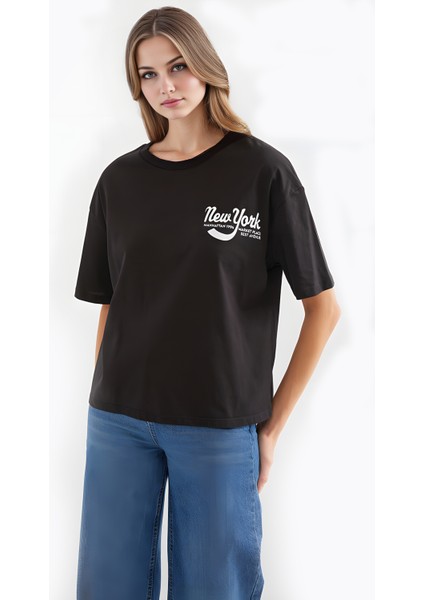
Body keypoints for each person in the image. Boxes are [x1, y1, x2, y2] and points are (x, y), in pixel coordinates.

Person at [74, 6, 341, 600]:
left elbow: (323, 309)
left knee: (216, 589)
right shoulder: (119, 181)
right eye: (148, 74)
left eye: (178, 67)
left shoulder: (262, 172)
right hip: (117, 423)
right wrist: (106, 393)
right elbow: (111, 302)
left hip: (218, 424)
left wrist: (269, 428)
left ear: (206, 66)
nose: (165, 86)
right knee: (105, 589)